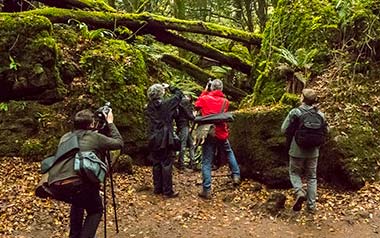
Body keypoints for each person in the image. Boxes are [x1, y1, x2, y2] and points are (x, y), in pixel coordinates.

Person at [61, 109, 123, 238]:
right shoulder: (95, 137)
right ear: (91, 125)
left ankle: (74, 235)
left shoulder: (65, 137)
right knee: (95, 210)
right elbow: (119, 143)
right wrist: (110, 123)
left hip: (65, 182)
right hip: (85, 183)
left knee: (77, 204)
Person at [281, 88, 328, 213]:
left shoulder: (295, 112)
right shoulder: (321, 115)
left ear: (302, 98)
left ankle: (299, 191)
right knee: (312, 177)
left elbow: (283, 129)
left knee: (294, 173)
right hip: (313, 152)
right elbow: (326, 132)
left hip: (296, 149)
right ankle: (312, 207)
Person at [194, 79, 241, 199]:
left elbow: (197, 105)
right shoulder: (225, 102)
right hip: (221, 132)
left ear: (211, 87)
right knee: (229, 152)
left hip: (208, 132)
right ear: (221, 88)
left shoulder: (205, 98)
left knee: (206, 161)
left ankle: (207, 189)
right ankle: (236, 175)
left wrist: (205, 91)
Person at [146, 83, 183, 198]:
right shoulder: (167, 104)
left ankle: (158, 188)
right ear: (161, 93)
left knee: (156, 163)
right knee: (166, 163)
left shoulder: (149, 107)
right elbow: (179, 95)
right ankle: (167, 191)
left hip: (153, 137)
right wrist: (170, 87)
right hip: (165, 138)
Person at [174, 94, 195, 171]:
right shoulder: (184, 103)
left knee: (191, 144)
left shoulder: (178, 104)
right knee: (184, 145)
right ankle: (181, 165)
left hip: (182, 125)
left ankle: (192, 163)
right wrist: (194, 116)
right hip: (184, 126)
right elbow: (190, 116)